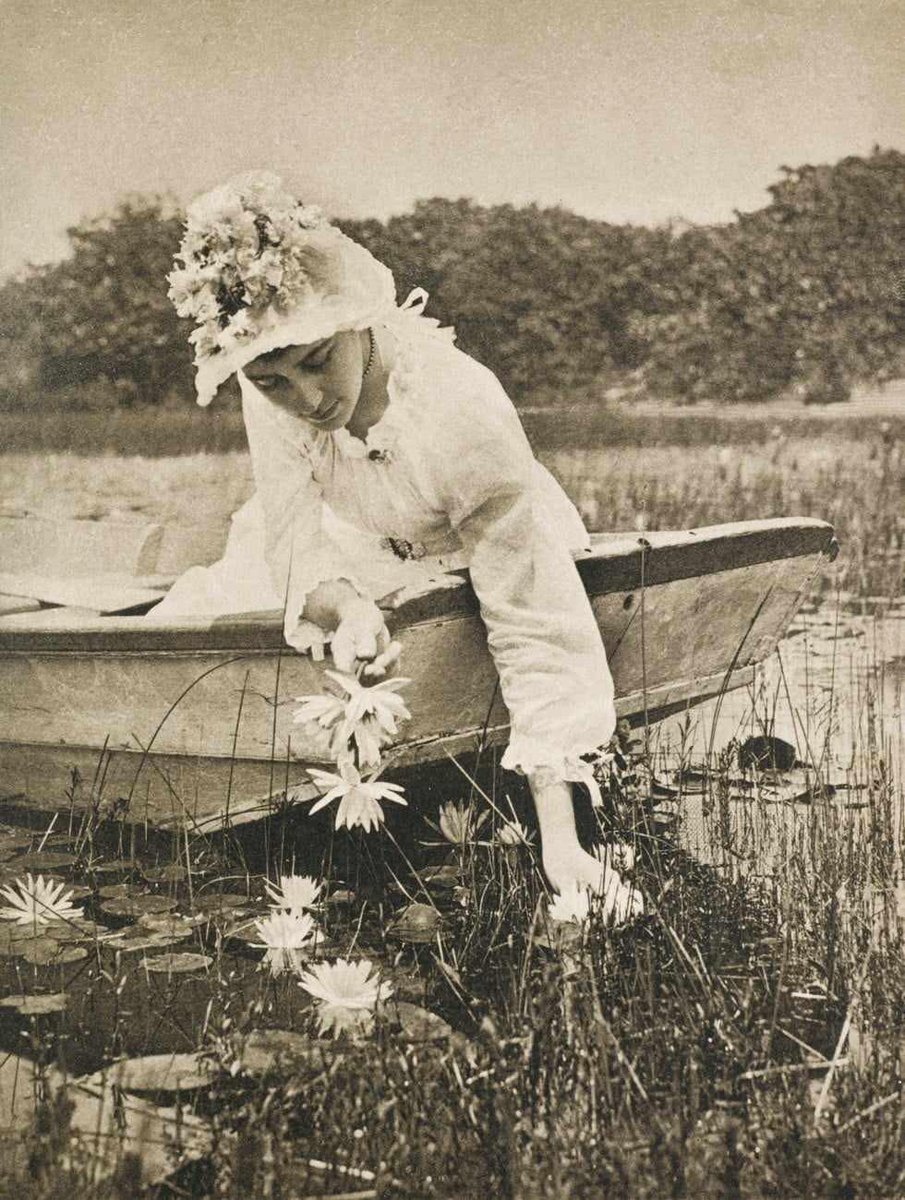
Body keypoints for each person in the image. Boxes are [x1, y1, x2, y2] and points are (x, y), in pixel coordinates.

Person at [158, 172, 639, 913]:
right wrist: (343, 603)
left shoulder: (460, 408)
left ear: (359, 322)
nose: (308, 400)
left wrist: (561, 837)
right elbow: (289, 538)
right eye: (273, 380)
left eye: (318, 361)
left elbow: (533, 621)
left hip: (491, 545)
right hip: (368, 545)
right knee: (228, 585)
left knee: (514, 624)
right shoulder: (272, 395)